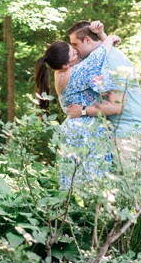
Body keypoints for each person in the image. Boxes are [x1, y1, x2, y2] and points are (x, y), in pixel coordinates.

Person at [34, 24, 119, 189]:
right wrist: (109, 37)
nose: (77, 52)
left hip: (70, 130)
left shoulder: (58, 72)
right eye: (73, 53)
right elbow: (99, 54)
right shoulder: (79, 72)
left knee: (72, 180)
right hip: (86, 130)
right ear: (66, 64)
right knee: (93, 181)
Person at [65, 20, 141, 169]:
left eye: (75, 45)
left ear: (87, 40)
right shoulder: (95, 58)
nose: (74, 51)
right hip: (115, 131)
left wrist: (82, 110)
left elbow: (116, 107)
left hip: (131, 131)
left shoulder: (112, 62)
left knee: (130, 185)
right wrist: (105, 36)